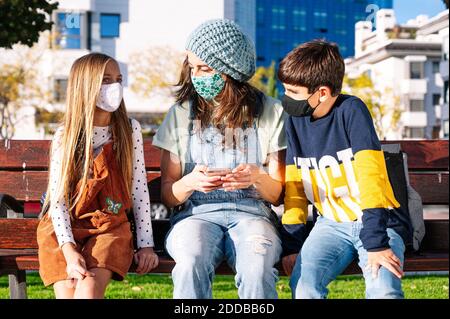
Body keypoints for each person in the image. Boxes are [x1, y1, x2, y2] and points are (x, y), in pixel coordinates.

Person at [152, 19, 287, 299]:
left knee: (257, 267)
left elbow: (277, 196)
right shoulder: (180, 114)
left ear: (230, 70)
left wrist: (258, 178)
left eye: (205, 68)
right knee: (190, 262)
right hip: (194, 217)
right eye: (192, 67)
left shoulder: (271, 112)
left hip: (254, 217)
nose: (196, 75)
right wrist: (189, 183)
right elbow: (168, 194)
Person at [278, 40, 412, 299]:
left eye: (293, 92)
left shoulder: (352, 111)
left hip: (377, 222)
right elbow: (295, 185)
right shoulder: (294, 122)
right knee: (304, 288)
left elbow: (371, 179)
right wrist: (292, 246)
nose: (286, 98)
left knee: (383, 290)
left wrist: (375, 242)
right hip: (330, 224)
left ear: (323, 93)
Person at [37, 53, 159, 299]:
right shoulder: (66, 135)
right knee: (69, 292)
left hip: (109, 226)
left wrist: (146, 245)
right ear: (86, 86)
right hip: (63, 228)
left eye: (118, 79)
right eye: (105, 80)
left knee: (88, 290)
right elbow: (57, 201)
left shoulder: (128, 129)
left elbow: (138, 190)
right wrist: (70, 252)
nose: (114, 86)